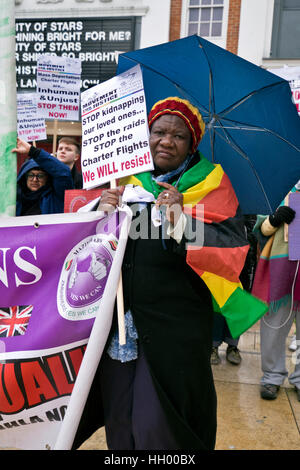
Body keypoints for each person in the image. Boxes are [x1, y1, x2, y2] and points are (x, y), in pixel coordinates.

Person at [74, 97, 267, 450]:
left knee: (159, 427)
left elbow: (233, 247)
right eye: (159, 131)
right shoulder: (125, 180)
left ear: (191, 144)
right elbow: (83, 246)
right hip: (118, 327)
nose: (166, 140)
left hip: (174, 333)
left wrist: (181, 219)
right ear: (145, 136)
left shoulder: (212, 184)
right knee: (119, 419)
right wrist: (99, 212)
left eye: (178, 136)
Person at [252, 182, 300, 401]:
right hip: (280, 270)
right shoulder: (278, 187)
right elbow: (261, 228)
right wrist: (275, 219)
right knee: (273, 326)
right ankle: (272, 377)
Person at [211, 215, 258, 366]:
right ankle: (213, 345)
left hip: (242, 258)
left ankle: (233, 346)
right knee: (217, 304)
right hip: (218, 256)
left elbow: (253, 230)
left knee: (237, 302)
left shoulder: (249, 203)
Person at [12, 138, 74, 215]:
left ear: (47, 178)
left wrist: (33, 151)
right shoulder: (14, 199)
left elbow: (63, 172)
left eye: (40, 176)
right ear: (24, 177)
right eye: (31, 175)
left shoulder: (55, 197)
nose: (35, 180)